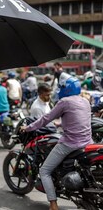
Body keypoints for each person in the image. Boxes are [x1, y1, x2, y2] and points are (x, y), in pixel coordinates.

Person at [21, 72, 93, 210]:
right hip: (88, 142)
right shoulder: (84, 100)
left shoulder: (64, 102)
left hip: (70, 143)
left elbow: (44, 119)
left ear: (66, 88)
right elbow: (79, 120)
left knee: (44, 171)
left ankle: (53, 204)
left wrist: (28, 128)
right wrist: (60, 124)